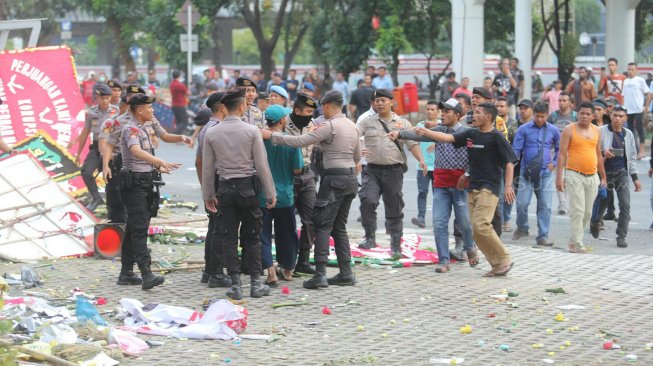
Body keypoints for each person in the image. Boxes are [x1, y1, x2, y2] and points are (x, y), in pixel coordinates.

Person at [260, 90, 360, 289]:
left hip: (333, 180)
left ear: (329, 106)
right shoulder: (352, 125)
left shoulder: (328, 126)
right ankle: (346, 272)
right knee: (339, 227)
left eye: (322, 107)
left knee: (322, 225)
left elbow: (298, 142)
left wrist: (272, 136)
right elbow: (357, 157)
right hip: (350, 179)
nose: (319, 111)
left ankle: (320, 274)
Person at [413, 102, 517, 277]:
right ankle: (497, 264)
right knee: (475, 231)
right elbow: (449, 138)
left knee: (481, 225)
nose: (473, 115)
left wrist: (508, 186)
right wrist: (426, 132)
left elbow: (509, 161)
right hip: (472, 187)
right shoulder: (472, 134)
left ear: (489, 117)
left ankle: (504, 259)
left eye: (477, 112)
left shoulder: (497, 137)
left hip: (489, 187)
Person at [202, 88, 276, 300]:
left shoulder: (212, 132)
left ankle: (235, 284)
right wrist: (270, 192)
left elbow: (208, 168)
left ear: (224, 108)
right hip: (248, 190)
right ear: (243, 106)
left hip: (224, 190)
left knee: (228, 237)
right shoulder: (252, 131)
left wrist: (208, 195)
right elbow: (262, 166)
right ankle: (255, 283)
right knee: (252, 237)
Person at [389, 98, 477, 273]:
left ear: (458, 115)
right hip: (441, 184)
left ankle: (470, 247)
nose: (442, 114)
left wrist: (468, 174)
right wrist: (400, 134)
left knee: (465, 222)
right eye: (442, 111)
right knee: (439, 223)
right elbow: (420, 135)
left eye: (447, 112)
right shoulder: (439, 130)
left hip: (461, 185)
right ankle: (444, 260)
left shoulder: (468, 133)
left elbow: (476, 158)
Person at [118, 94, 191, 289]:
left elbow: (157, 144)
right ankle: (146, 273)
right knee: (140, 229)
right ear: (139, 110)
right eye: (149, 108)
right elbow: (136, 151)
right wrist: (159, 162)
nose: (152, 111)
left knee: (134, 228)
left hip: (145, 182)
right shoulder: (130, 128)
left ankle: (126, 272)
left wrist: (158, 167)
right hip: (134, 186)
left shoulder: (143, 127)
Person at [357, 89, 427, 258]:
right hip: (371, 170)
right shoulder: (367, 122)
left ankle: (396, 245)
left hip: (393, 171)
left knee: (394, 207)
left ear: (391, 102)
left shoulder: (402, 123)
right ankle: (369, 237)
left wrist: (421, 160)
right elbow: (353, 136)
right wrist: (356, 156)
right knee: (367, 200)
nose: (379, 104)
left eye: (383, 100)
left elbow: (412, 144)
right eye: (377, 101)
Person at [259, 105, 304, 286]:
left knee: (263, 235)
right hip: (285, 195)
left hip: (262, 195)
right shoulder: (291, 141)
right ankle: (287, 269)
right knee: (287, 233)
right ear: (282, 120)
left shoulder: (259, 140)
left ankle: (270, 271)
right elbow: (297, 169)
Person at [556, 101, 607, 254]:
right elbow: (562, 154)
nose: (584, 116)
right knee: (577, 210)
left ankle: (573, 241)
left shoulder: (597, 131)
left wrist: (603, 177)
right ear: (577, 114)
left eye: (588, 114)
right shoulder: (569, 130)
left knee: (587, 213)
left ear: (593, 116)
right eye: (582, 113)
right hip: (574, 174)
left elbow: (598, 154)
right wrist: (559, 177)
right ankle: (578, 244)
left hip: (592, 176)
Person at [589, 105, 641, 247]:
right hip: (604, 174)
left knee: (625, 206)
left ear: (626, 118)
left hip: (621, 174)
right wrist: (603, 152)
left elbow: (631, 156)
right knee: (603, 201)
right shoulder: (600, 131)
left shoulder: (628, 134)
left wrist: (635, 178)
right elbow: (591, 150)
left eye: (620, 116)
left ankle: (621, 237)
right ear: (610, 116)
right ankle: (595, 221)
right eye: (615, 115)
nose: (617, 118)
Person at [194, 92, 231, 288]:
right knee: (220, 228)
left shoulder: (206, 129)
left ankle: (209, 270)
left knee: (213, 226)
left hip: (211, 181)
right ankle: (216, 273)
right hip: (219, 180)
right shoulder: (218, 129)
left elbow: (198, 162)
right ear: (223, 107)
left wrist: (205, 186)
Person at [511, 102, 560, 246]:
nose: (539, 119)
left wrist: (554, 164)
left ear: (547, 115)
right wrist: (510, 164)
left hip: (545, 173)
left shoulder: (553, 130)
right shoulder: (523, 129)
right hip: (526, 173)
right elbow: (516, 150)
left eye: (542, 117)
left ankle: (543, 236)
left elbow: (560, 149)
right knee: (521, 203)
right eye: (537, 116)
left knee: (545, 205)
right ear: (534, 115)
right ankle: (522, 227)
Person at [285, 93, 320, 275]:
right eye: (307, 112)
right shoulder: (283, 125)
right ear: (297, 110)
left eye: (312, 112)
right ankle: (288, 261)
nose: (310, 116)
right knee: (287, 221)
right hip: (287, 177)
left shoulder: (312, 126)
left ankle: (304, 260)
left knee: (310, 219)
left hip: (307, 177)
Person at [73, 84, 120, 211]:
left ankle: (115, 205)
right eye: (102, 98)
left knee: (113, 176)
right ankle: (96, 198)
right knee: (86, 172)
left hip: (112, 148)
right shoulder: (91, 113)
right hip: (96, 148)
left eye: (107, 98)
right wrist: (78, 154)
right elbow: (84, 133)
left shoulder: (117, 111)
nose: (105, 101)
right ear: (97, 98)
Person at [548, 92, 577, 215]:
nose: (561, 103)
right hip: (556, 151)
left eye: (564, 100)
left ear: (570, 102)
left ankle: (567, 202)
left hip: (572, 151)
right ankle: (562, 202)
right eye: (560, 100)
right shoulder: (553, 116)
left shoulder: (575, 116)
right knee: (560, 177)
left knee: (569, 179)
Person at [411, 100, 438, 228]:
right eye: (428, 109)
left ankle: (438, 220)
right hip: (422, 166)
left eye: (433, 109)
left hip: (438, 167)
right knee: (422, 192)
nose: (430, 111)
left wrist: (437, 142)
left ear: (437, 112)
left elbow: (451, 140)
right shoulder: (420, 125)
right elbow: (413, 140)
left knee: (438, 195)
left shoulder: (442, 126)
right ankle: (421, 218)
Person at [622, 62, 651, 159]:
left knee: (639, 129)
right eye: (628, 69)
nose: (630, 71)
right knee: (629, 131)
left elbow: (648, 94)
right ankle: (633, 151)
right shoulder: (625, 81)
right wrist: (623, 107)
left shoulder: (640, 80)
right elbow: (623, 95)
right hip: (628, 110)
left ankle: (642, 152)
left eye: (632, 69)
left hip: (638, 109)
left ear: (636, 70)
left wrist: (645, 107)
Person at [170, 70, 190, 134]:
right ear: (179, 76)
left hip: (174, 105)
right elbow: (188, 93)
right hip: (180, 105)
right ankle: (175, 133)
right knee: (185, 121)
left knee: (178, 122)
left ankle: (178, 139)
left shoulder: (171, 84)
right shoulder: (180, 85)